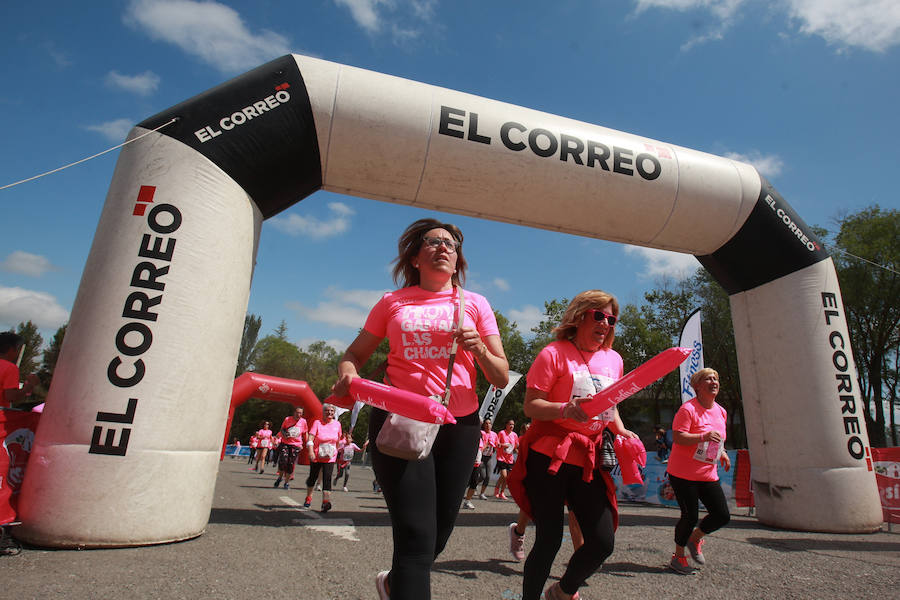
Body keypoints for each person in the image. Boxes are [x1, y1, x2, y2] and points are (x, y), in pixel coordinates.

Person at [331, 218, 509, 600]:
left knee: (438, 534)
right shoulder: (392, 302)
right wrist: (348, 375)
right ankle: (406, 581)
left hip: (459, 425)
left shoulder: (476, 303)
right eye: (434, 241)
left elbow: (500, 376)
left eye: (452, 244)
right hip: (400, 418)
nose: (444, 247)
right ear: (415, 257)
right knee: (415, 536)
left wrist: (478, 347)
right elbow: (354, 354)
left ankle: (395, 583)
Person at [508, 289, 630, 600]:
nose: (606, 323)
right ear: (579, 317)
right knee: (548, 540)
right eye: (599, 315)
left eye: (611, 318)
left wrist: (623, 430)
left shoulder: (614, 360)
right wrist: (565, 408)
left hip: (588, 460)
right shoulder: (553, 353)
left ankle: (562, 592)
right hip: (548, 457)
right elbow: (531, 406)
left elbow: (610, 405)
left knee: (603, 542)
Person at [666, 367, 731, 575]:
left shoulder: (721, 411)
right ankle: (678, 557)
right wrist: (702, 436)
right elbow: (678, 437)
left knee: (722, 515)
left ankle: (695, 539)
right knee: (690, 516)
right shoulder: (688, 409)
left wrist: (723, 453)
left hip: (707, 473)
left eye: (716, 378)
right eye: (708, 379)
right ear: (697, 386)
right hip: (683, 473)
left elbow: (718, 439)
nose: (713, 382)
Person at [304, 403, 342, 512]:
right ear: (323, 412)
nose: (329, 413)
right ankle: (309, 497)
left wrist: (336, 452)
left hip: (330, 457)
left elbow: (338, 440)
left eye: (332, 411)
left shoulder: (337, 424)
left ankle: (325, 502)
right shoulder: (317, 423)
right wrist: (311, 451)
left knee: (327, 478)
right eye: (327, 411)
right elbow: (310, 439)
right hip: (317, 455)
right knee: (313, 477)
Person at [0, 332, 39, 409]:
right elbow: (11, 397)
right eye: (18, 349)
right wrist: (29, 386)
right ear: (11, 349)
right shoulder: (10, 368)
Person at [274, 406, 308, 489]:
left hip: (296, 445)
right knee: (283, 461)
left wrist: (306, 444)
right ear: (294, 412)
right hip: (285, 443)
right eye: (297, 412)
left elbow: (305, 433)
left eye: (300, 413)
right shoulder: (287, 419)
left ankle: (286, 482)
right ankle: (280, 478)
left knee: (290, 464)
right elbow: (282, 429)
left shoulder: (303, 422)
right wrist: (285, 435)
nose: (298, 414)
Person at [493, 419, 518, 499]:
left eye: (513, 425)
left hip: (510, 459)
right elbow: (497, 444)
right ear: (506, 425)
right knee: (504, 475)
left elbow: (516, 445)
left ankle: (502, 492)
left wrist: (515, 449)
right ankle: (497, 490)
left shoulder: (514, 435)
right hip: (501, 458)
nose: (512, 426)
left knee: (507, 477)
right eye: (510, 424)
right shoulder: (501, 433)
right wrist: (504, 445)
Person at [476, 418, 498, 500]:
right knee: (482, 476)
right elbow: (480, 447)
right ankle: (474, 485)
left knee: (488, 476)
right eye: (486, 423)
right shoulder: (482, 433)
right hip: (481, 457)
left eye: (489, 423)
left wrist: (497, 445)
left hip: (489, 457)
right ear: (483, 425)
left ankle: (482, 493)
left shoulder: (494, 434)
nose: (488, 425)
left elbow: (497, 445)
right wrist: (487, 444)